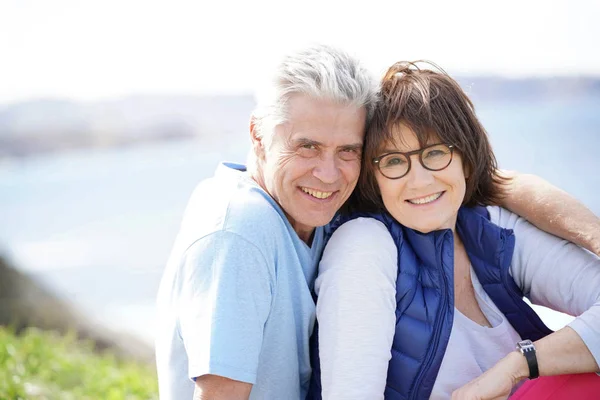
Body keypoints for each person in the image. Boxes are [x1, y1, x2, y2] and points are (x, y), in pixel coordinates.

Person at [155, 45, 600, 400]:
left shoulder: (479, 227)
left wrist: (518, 365)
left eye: (347, 150)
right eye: (392, 161)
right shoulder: (254, 230)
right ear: (257, 134)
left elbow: (502, 183)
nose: (328, 174)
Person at [308, 61, 600, 400]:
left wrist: (519, 364)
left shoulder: (491, 229)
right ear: (373, 177)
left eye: (435, 153)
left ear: (465, 156)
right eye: (393, 161)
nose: (419, 181)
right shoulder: (364, 245)